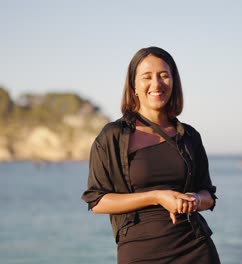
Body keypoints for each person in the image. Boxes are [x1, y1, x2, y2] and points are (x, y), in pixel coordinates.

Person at [82, 46, 220, 263]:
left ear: (174, 82)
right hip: (140, 252)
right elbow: (97, 201)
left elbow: (208, 196)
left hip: (195, 249)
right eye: (147, 76)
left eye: (164, 75)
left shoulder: (190, 136)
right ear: (133, 85)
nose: (156, 84)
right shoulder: (113, 135)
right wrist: (156, 196)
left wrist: (194, 199)